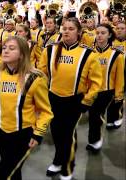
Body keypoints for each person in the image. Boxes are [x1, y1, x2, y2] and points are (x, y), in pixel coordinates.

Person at [0, 36, 53, 180]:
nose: (5, 51)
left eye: (12, 48)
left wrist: (38, 133)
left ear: (22, 54)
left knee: (3, 170)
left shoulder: (35, 78)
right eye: (5, 47)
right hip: (2, 133)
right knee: (14, 171)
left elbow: (45, 111)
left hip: (24, 135)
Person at [38, 17, 102, 180]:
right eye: (64, 28)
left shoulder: (88, 54)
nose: (66, 31)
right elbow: (41, 73)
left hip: (74, 100)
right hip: (52, 98)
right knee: (56, 132)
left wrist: (86, 101)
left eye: (71, 28)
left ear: (79, 32)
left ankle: (67, 166)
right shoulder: (50, 50)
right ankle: (59, 160)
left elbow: (96, 83)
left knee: (67, 134)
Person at [86, 23, 124, 152]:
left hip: (107, 91)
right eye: (98, 33)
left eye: (103, 33)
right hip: (90, 91)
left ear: (109, 35)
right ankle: (94, 139)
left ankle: (95, 140)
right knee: (93, 116)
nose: (99, 36)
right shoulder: (88, 52)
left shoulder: (117, 55)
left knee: (96, 115)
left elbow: (120, 78)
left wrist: (119, 95)